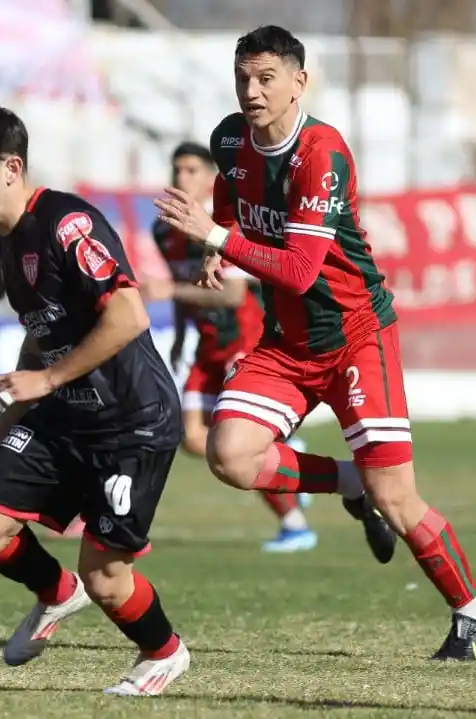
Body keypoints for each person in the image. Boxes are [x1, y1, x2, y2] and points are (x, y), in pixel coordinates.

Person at [153, 25, 476, 661]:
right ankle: (348, 484)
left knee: (398, 499)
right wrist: (219, 241)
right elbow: (230, 198)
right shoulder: (230, 138)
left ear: (299, 82)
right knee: (229, 455)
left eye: (266, 78)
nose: (252, 91)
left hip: (356, 339)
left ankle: (473, 616)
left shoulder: (321, 152)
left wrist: (219, 239)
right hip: (288, 345)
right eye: (243, 78)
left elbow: (299, 270)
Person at [0, 105, 190, 696]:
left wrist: (46, 385)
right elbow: (43, 335)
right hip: (66, 415)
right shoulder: (8, 244)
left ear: (10, 167)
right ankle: (55, 594)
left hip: (132, 422)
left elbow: (128, 316)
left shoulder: (66, 223)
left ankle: (164, 652)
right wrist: (7, 422)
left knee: (106, 578)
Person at [150, 140, 361, 555]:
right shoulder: (164, 229)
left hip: (242, 344)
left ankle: (295, 522)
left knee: (237, 448)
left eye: (193, 170)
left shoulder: (222, 224)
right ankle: (289, 465)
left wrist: (169, 290)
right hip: (206, 347)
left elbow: (229, 295)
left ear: (212, 177)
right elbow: (186, 292)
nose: (182, 178)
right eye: (177, 170)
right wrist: (177, 335)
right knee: (192, 439)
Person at [0, 230, 86, 540]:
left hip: (75, 357)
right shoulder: (1, 235)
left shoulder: (46, 228)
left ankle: (83, 502)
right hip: (43, 346)